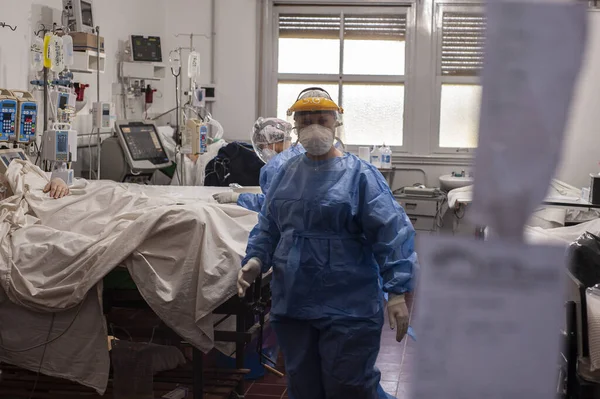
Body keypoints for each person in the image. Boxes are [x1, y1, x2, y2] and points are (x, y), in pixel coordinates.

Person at [237, 87, 417, 399]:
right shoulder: (283, 174)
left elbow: (391, 232)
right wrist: (255, 260)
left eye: (322, 119)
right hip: (294, 301)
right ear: (295, 127)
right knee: (303, 385)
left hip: (350, 303)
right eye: (306, 121)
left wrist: (398, 292)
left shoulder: (360, 175)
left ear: (335, 124)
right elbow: (269, 225)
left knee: (349, 386)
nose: (314, 127)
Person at [213, 117, 305, 212]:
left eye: (262, 146)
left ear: (272, 141)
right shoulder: (302, 151)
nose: (263, 150)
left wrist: (237, 197)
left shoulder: (276, 166)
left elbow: (272, 204)